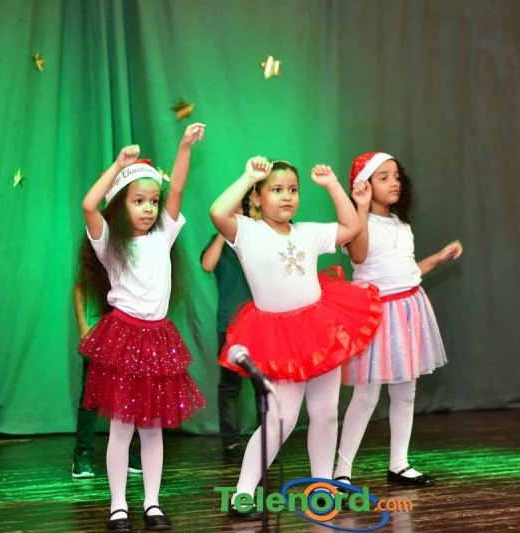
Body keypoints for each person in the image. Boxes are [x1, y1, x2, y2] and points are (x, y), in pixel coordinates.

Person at [209, 157, 381, 520]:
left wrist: (333, 185)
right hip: (279, 339)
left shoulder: (308, 232)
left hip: (319, 331)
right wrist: (248, 176)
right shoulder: (246, 232)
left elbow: (352, 226)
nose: (286, 196)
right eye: (276, 190)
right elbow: (217, 211)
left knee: (325, 413)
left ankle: (323, 489)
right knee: (280, 419)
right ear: (256, 198)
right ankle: (243, 494)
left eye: (292, 190)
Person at [78, 123, 208, 532]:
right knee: (121, 428)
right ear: (122, 205)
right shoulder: (109, 243)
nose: (149, 208)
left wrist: (184, 147)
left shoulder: (162, 235)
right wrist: (118, 166)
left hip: (158, 339)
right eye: (138, 201)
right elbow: (89, 205)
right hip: (124, 337)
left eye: (153, 201)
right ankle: (118, 506)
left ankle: (152, 503)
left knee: (152, 429)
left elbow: (177, 189)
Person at [334, 152, 462, 488]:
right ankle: (342, 471)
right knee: (366, 396)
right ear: (364, 185)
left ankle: (399, 464)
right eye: (384, 177)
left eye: (396, 176)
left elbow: (407, 272)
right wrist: (361, 208)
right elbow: (359, 255)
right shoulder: (355, 223)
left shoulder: (402, 225)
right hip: (376, 315)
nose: (394, 182)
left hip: (408, 310)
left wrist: (438, 258)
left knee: (406, 392)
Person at [200, 192, 263, 463]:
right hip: (230, 324)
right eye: (235, 205)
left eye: (245, 205)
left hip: (262, 321)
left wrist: (253, 222)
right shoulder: (222, 240)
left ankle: (267, 439)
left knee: (263, 384)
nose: (241, 209)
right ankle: (231, 442)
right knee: (229, 386)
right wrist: (224, 228)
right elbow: (207, 265)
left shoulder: (260, 235)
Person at [71, 282, 142, 478]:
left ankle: (126, 452)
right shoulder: (96, 263)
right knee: (90, 396)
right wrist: (83, 325)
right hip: (97, 332)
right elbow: (80, 286)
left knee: (127, 395)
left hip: (126, 332)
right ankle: (82, 455)